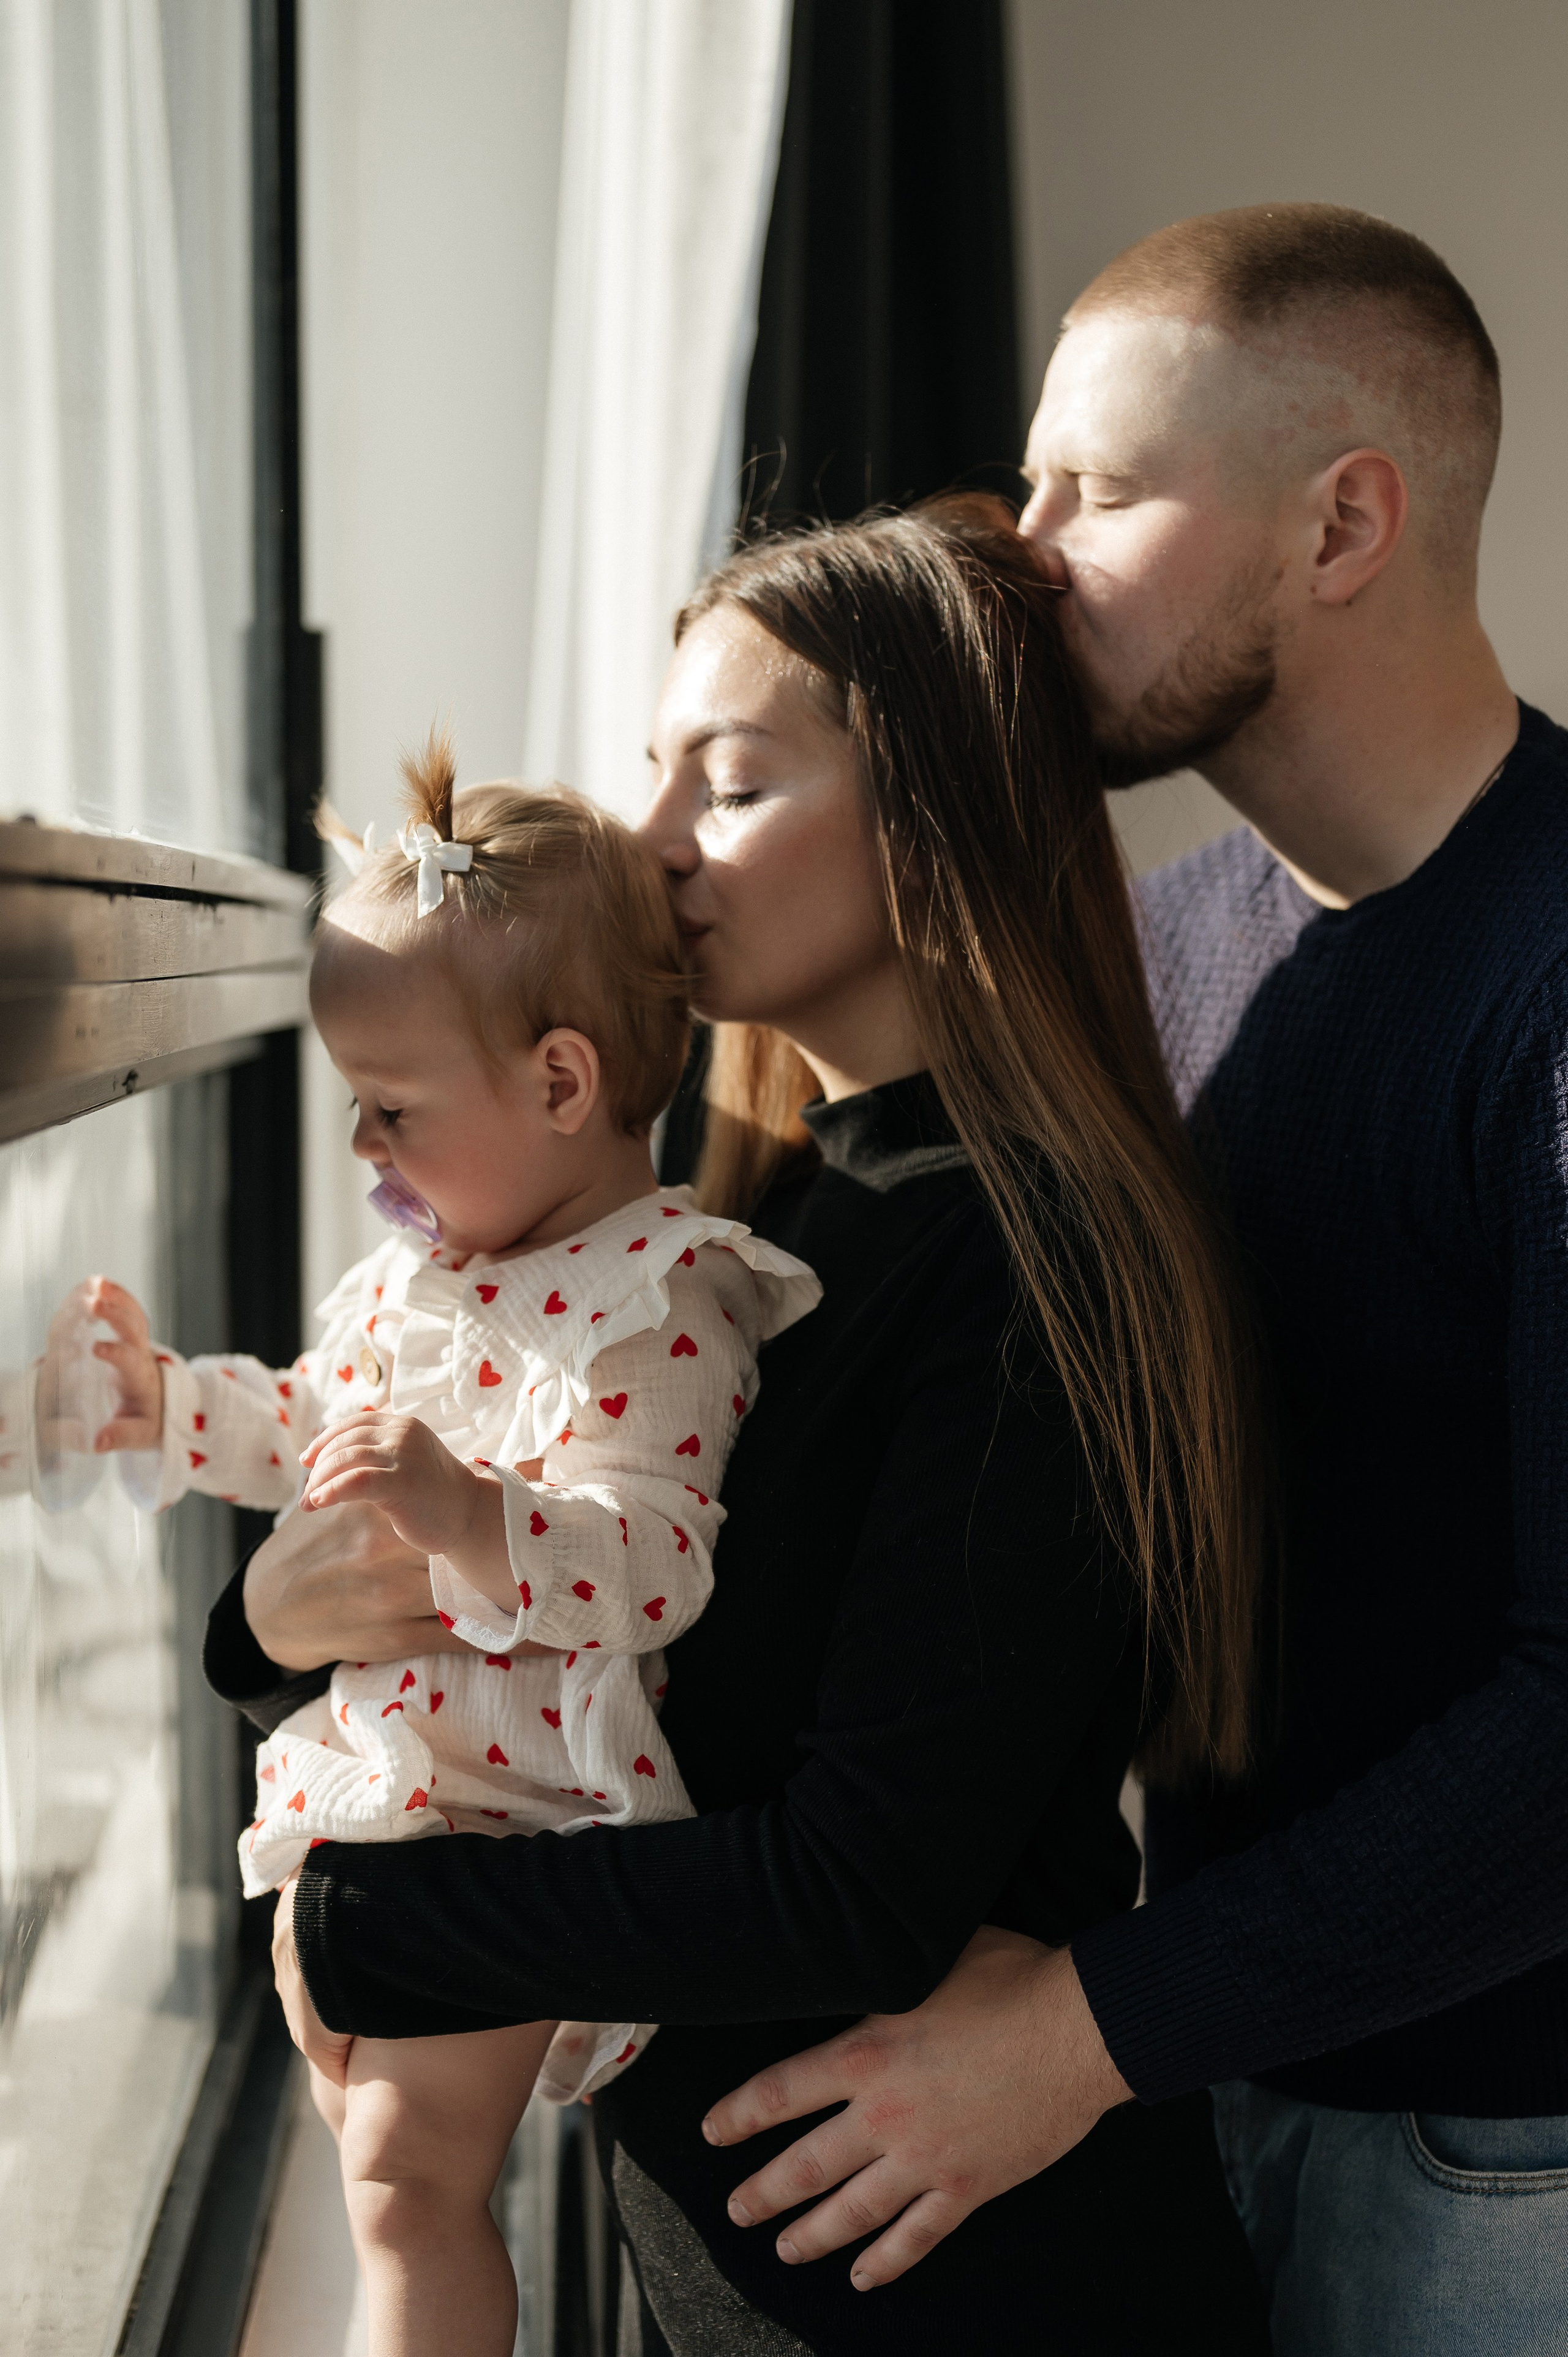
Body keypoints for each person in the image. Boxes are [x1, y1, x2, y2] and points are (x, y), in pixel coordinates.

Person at [206, 499, 1273, 2351]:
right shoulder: (727, 1225)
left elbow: (847, 1883)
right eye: (652, 769)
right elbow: (474, 1553)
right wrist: (260, 1628)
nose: (651, 840)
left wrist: (370, 1930)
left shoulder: (1033, 1261)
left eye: (736, 783)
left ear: (934, 819)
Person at [701, 205, 1568, 2357]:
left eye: (1097, 491)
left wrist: (1075, 2032)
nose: (1022, 546)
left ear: (1343, 521)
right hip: (1218, 2082)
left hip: (1503, 2167)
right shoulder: (1170, 958)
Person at [93, 747, 818, 2357]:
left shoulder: (662, 1297)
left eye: (394, 1106)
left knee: (414, 2190)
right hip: (385, 1793)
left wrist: (465, 1515)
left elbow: (654, 1565)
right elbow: (300, 1423)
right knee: (381, 2178)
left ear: (562, 1085)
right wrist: (163, 1404)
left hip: (517, 1825)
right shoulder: (417, 1280)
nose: (363, 1146)